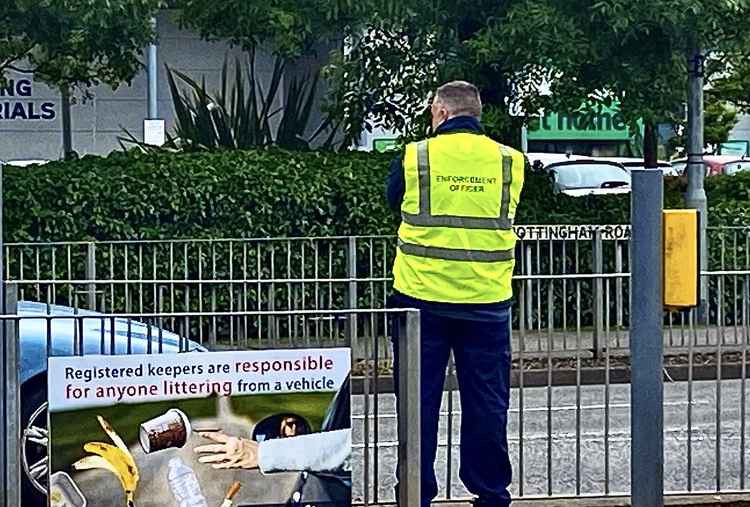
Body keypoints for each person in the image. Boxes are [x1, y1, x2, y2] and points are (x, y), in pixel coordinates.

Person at [386, 81, 525, 507]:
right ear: (477, 114)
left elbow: (395, 202)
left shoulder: (416, 156)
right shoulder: (509, 161)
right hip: (486, 302)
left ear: (440, 112)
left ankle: (416, 493)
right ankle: (490, 494)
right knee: (487, 404)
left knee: (417, 404)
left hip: (420, 302)